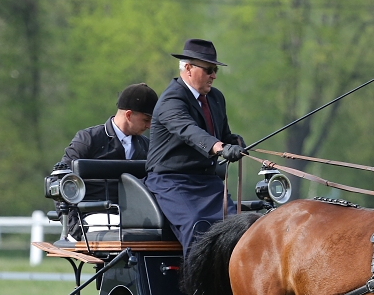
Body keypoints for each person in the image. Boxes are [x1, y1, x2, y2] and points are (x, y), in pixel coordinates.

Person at [144, 38, 245, 254]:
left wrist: (235, 143)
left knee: (238, 227)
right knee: (197, 224)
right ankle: (197, 287)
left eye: (215, 69)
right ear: (188, 68)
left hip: (208, 181)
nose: (214, 75)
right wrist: (219, 148)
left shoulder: (216, 98)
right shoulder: (171, 100)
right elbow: (190, 131)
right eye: (209, 69)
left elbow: (223, 135)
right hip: (172, 182)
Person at [58, 82, 159, 238]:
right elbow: (59, 180)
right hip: (93, 217)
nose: (150, 126)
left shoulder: (147, 146)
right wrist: (74, 228)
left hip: (136, 217)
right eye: (146, 120)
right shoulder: (88, 140)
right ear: (128, 115)